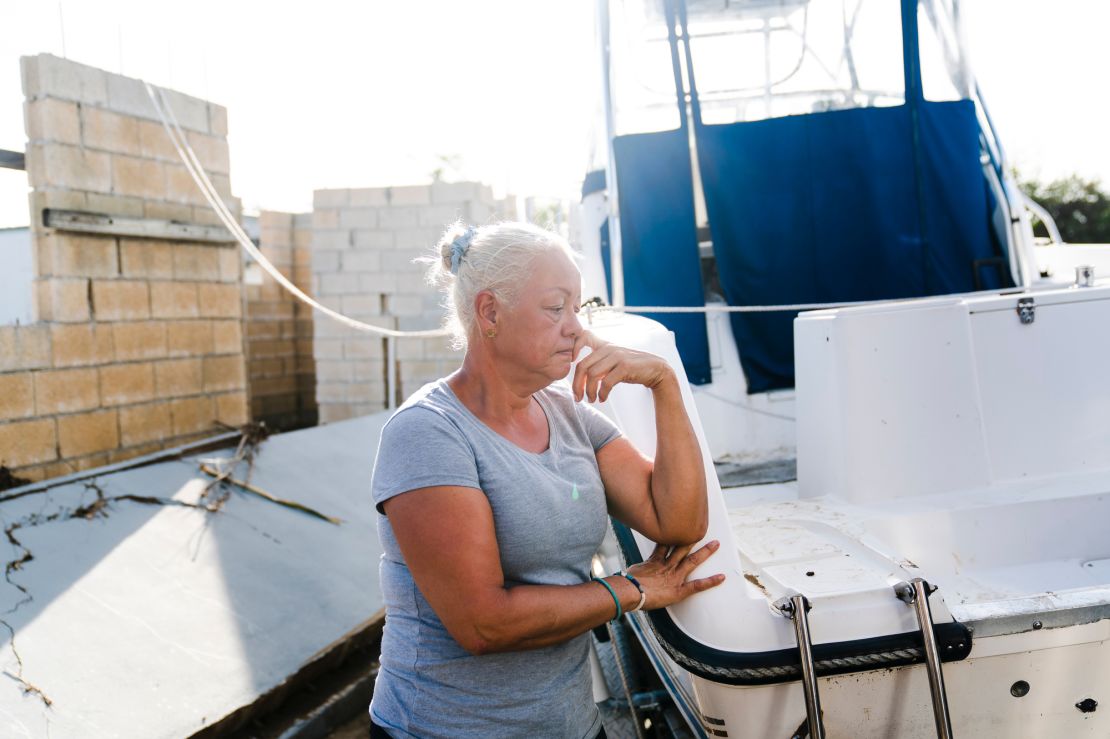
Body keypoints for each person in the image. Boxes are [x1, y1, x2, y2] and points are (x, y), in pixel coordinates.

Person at [369, 221, 724, 738]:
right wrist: (630, 590)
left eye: (578, 309)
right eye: (556, 308)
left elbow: (679, 520)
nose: (577, 329)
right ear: (489, 312)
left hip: (571, 725)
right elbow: (484, 623)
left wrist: (662, 381)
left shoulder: (570, 416)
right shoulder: (427, 433)